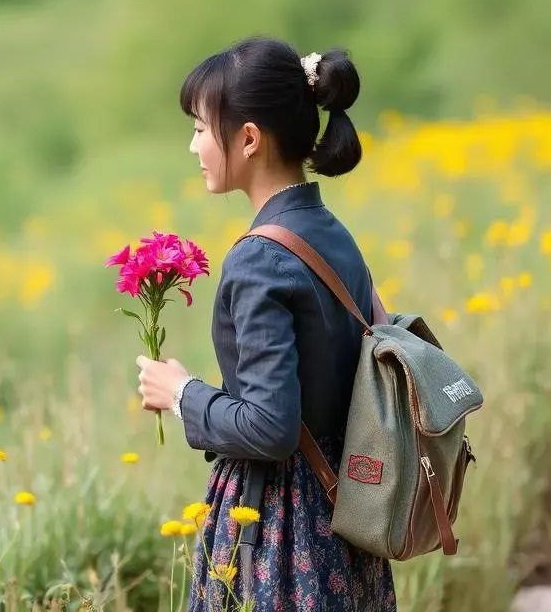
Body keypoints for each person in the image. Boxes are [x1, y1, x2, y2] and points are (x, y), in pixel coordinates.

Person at [136, 36, 398, 611]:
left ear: (248, 138)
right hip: (346, 510)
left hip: (283, 529)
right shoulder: (329, 230)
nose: (194, 145)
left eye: (202, 128)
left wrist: (180, 394)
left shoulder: (258, 258)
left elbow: (269, 428)